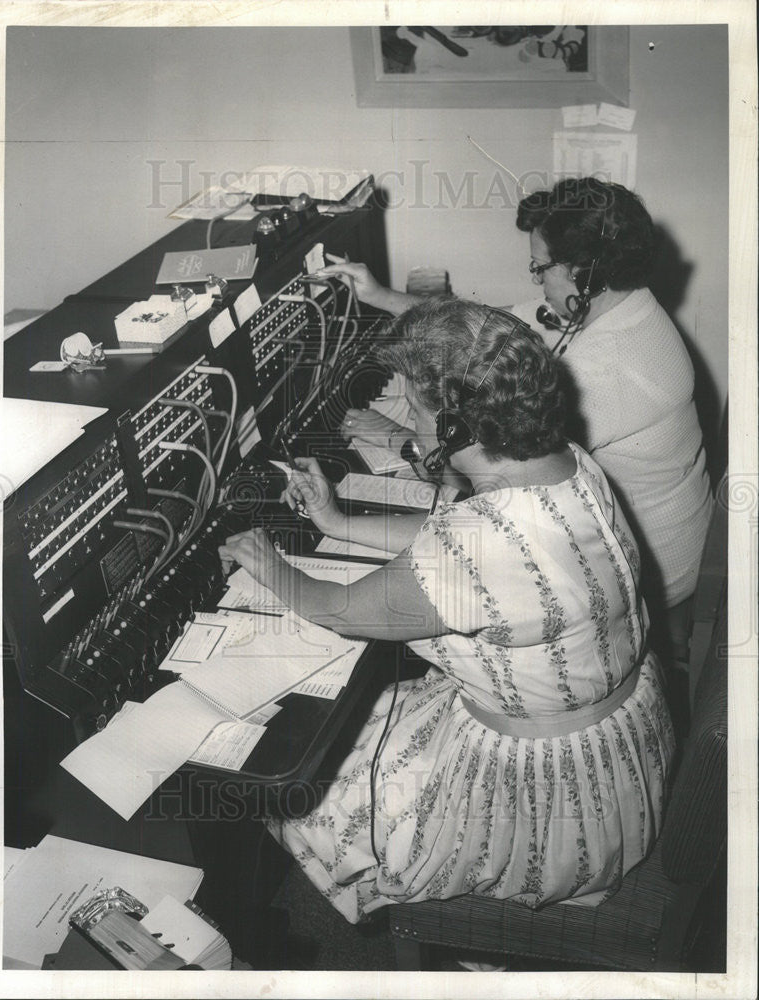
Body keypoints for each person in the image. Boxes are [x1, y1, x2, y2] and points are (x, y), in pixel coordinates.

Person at [219, 298, 676, 924]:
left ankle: (458, 935)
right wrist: (337, 520)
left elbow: (347, 610)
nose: (407, 415)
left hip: (542, 803)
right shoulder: (571, 464)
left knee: (298, 797)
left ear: (458, 427)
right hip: (615, 751)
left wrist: (270, 565)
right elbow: (457, 535)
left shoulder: (478, 541)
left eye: (416, 406)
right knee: (377, 714)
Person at [317, 178, 714, 655]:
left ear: (584, 274)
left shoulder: (609, 369)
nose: (536, 280)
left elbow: (494, 468)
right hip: (653, 530)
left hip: (646, 568)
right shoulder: (625, 307)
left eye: (541, 267)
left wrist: (405, 439)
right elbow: (488, 330)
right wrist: (378, 295)